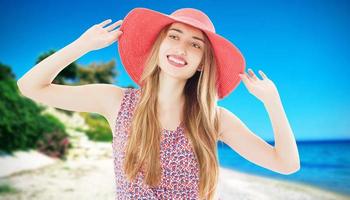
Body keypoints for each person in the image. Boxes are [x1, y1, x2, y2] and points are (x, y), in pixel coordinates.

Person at [17, 7, 300, 200]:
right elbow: (30, 86)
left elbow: (286, 164)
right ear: (159, 45)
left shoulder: (214, 119)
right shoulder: (116, 101)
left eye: (195, 44)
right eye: (173, 36)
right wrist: (83, 45)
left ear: (203, 63)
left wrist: (272, 102)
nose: (181, 48)